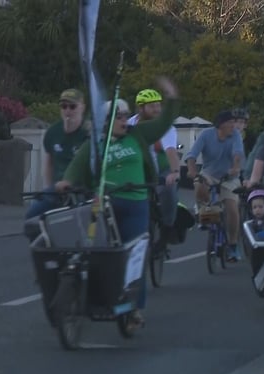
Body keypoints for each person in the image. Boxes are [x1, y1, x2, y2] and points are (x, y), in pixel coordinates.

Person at [57, 76, 180, 326]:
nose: (125, 120)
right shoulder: (96, 144)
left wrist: (171, 97)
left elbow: (165, 121)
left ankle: (134, 308)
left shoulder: (138, 135)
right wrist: (66, 181)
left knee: (136, 253)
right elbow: (77, 165)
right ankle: (89, 293)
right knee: (96, 251)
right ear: (106, 122)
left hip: (136, 202)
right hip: (103, 204)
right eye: (119, 117)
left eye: (125, 116)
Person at [185, 110, 245, 262]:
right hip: (209, 174)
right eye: (230, 123)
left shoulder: (236, 135)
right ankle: (205, 211)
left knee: (232, 208)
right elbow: (192, 155)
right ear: (220, 125)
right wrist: (192, 171)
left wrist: (236, 167)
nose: (233, 125)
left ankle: (232, 245)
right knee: (199, 184)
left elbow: (238, 154)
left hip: (229, 176)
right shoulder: (206, 135)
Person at [128, 88, 181, 242]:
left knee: (169, 190)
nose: (157, 109)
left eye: (158, 105)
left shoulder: (166, 127)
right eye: (152, 106)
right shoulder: (130, 124)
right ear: (140, 108)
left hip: (162, 168)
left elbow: (171, 151)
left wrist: (175, 172)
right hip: (139, 169)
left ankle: (168, 227)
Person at [25, 88, 89, 219]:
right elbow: (49, 162)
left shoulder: (89, 133)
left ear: (82, 107)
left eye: (72, 106)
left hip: (82, 190)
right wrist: (49, 186)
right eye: (64, 106)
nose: (68, 111)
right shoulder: (53, 132)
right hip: (58, 188)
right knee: (32, 215)